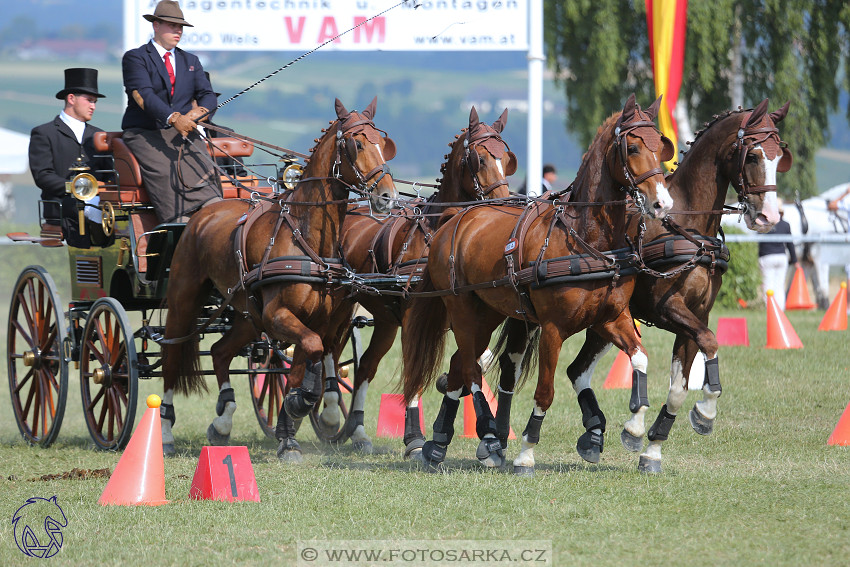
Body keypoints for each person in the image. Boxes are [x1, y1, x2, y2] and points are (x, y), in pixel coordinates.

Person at [121, 0, 220, 223]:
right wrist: (173, 117)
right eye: (171, 25)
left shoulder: (190, 60)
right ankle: (177, 221)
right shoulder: (136, 58)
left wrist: (199, 113)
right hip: (146, 132)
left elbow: (207, 93)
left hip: (185, 131)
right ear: (155, 25)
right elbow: (143, 95)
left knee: (204, 167)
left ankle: (213, 211)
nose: (178, 31)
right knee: (166, 171)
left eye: (180, 27)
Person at [28, 67, 109, 248]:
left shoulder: (98, 134)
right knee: (95, 209)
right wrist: (79, 190)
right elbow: (43, 175)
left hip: (98, 202)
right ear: (71, 99)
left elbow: (108, 172)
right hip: (62, 205)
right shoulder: (44, 133)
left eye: (95, 102)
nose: (93, 106)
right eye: (89, 100)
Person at [759, 199, 797, 310]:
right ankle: (780, 309)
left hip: (766, 257)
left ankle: (769, 309)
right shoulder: (786, 225)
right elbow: (790, 243)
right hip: (781, 257)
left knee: (767, 284)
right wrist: (795, 260)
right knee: (779, 286)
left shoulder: (763, 224)